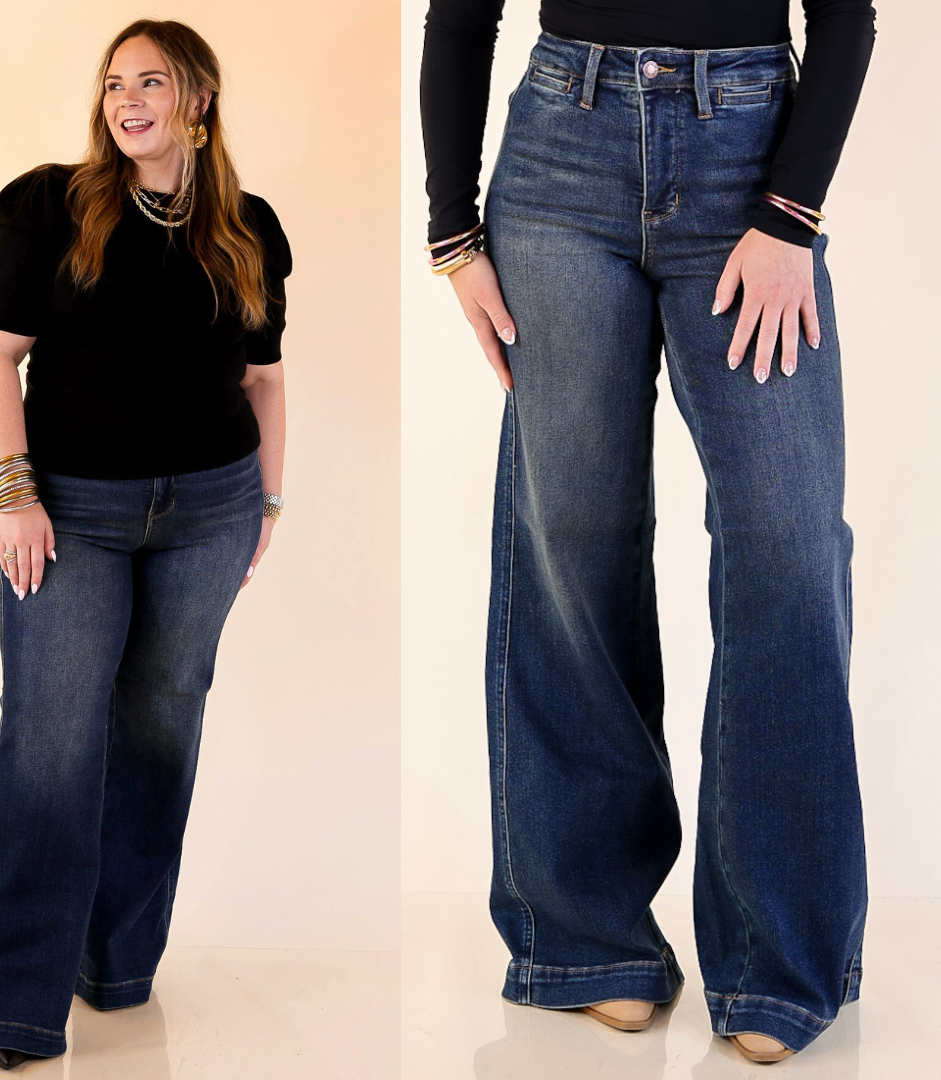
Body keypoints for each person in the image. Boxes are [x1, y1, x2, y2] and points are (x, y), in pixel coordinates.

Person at [420, 0, 875, 1064]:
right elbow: (461, 12)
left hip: (750, 153)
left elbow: (846, 17)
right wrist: (453, 227)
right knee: (569, 543)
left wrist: (791, 212)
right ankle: (585, 939)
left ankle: (777, 955)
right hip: (558, 164)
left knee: (791, 548)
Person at [0, 18, 292, 1070]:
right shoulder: (53, 203)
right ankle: (11, 1006)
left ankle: (116, 966)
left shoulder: (249, 227)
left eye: (150, 80)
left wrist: (267, 506)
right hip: (71, 517)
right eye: (111, 84)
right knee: (51, 740)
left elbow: (265, 379)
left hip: (212, 511)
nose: (126, 99)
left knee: (157, 735)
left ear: (199, 96)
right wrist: (15, 498)